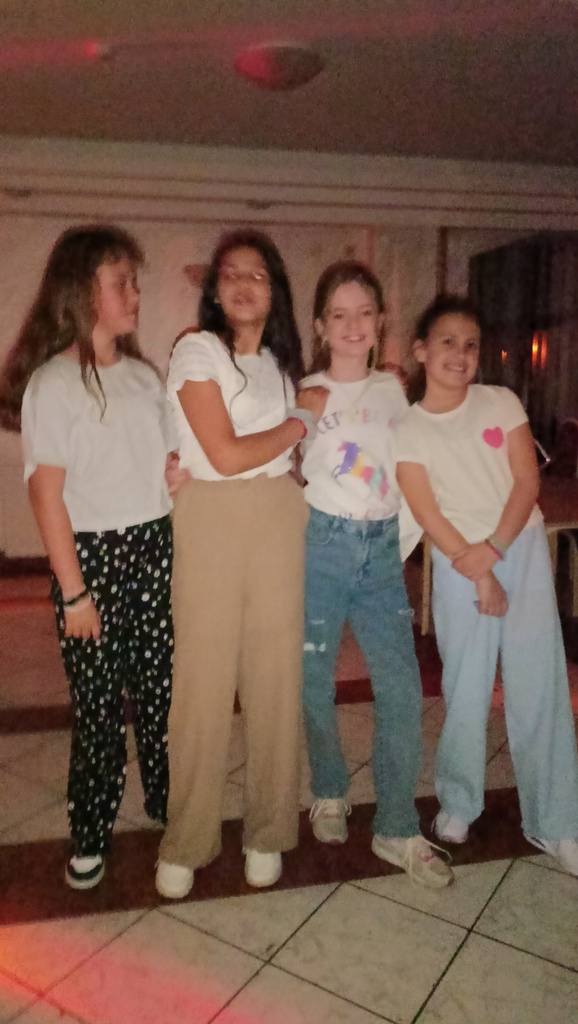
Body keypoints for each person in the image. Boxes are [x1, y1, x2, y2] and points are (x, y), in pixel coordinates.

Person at [0, 225, 176, 889]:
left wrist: (177, 476)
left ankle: (165, 803)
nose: (135, 294)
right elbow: (46, 495)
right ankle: (92, 829)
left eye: (134, 281)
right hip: (93, 560)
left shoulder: (144, 378)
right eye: (120, 282)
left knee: (160, 693)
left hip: (153, 545)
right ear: (82, 292)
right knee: (99, 707)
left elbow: (164, 466)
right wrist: (74, 593)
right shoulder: (53, 383)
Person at [396, 293, 578, 875]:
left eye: (471, 345)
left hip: (517, 547)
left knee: (540, 685)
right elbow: (426, 510)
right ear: (421, 350)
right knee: (466, 686)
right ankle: (458, 802)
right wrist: (476, 569)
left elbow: (526, 482)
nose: (461, 354)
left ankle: (557, 821)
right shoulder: (409, 427)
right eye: (448, 341)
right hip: (458, 562)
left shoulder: (501, 401)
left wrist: (494, 553)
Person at [156, 229, 310, 899]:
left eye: (259, 275)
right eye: (232, 274)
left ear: (275, 293)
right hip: (211, 516)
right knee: (202, 680)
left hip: (278, 512)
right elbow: (221, 454)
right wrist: (301, 422)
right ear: (215, 291)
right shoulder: (197, 350)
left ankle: (269, 830)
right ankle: (187, 838)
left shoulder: (283, 365)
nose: (245, 284)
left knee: (276, 677)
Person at [296, 260, 453, 889]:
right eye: (339, 314)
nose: (353, 324)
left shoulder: (394, 390)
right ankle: (329, 790)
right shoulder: (305, 392)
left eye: (365, 312)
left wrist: (409, 539)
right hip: (324, 547)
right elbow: (279, 468)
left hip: (382, 552)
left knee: (402, 688)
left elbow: (415, 465)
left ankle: (395, 825)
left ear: (381, 320)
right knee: (313, 680)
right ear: (320, 326)